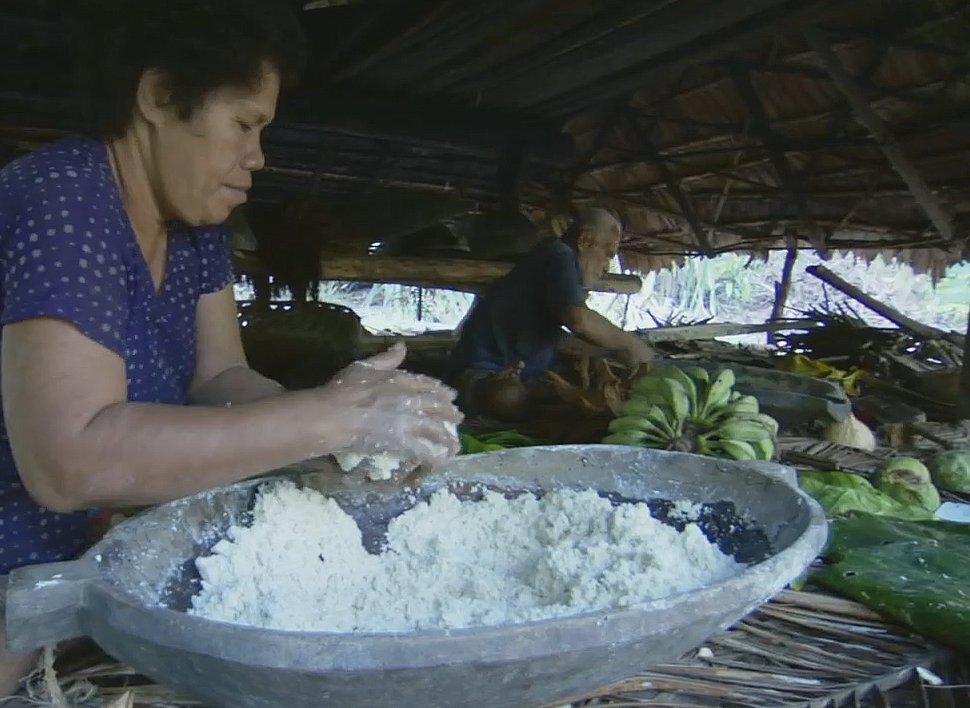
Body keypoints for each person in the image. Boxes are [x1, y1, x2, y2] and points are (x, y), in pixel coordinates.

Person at [0, 0, 461, 694]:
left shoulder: (194, 227)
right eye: (246, 124)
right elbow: (69, 461)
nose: (258, 157)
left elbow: (219, 377)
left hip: (84, 571)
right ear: (158, 95)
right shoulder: (66, 200)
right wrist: (330, 419)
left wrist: (330, 422)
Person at [446, 208, 657, 419]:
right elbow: (579, 321)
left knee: (574, 390)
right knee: (508, 397)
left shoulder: (554, 263)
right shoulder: (560, 255)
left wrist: (609, 352)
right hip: (480, 374)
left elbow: (554, 339)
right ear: (585, 241)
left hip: (523, 375)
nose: (606, 267)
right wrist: (630, 343)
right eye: (607, 254)